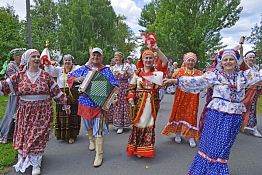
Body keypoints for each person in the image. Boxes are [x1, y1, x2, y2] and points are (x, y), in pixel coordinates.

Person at [164, 48, 262, 175]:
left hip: (233, 118)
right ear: (221, 62)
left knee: (222, 149)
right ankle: (201, 171)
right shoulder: (215, 75)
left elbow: (259, 76)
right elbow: (197, 81)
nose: (228, 62)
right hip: (215, 115)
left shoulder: (243, 76)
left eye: (231, 59)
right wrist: (176, 81)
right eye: (225, 59)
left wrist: (243, 58)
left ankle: (215, 171)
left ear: (236, 61)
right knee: (207, 144)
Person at [0, 49, 70, 175]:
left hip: (43, 113)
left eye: (38, 56)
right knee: (26, 136)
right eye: (33, 57)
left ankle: (36, 163)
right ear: (27, 59)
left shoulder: (46, 76)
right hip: (25, 113)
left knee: (38, 135)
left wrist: (65, 103)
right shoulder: (19, 76)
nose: (37, 59)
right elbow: (5, 86)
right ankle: (27, 157)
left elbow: (56, 91)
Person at [67, 47, 118, 167]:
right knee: (87, 125)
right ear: (90, 56)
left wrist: (112, 97)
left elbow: (115, 85)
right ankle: (91, 140)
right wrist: (76, 79)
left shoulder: (106, 70)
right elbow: (69, 77)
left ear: (102, 57)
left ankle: (99, 155)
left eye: (98, 55)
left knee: (99, 130)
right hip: (85, 103)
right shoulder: (84, 69)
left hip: (100, 105)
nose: (95, 57)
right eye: (93, 55)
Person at [126, 50, 163, 158]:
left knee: (149, 125)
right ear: (142, 59)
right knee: (139, 124)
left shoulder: (157, 73)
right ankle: (137, 147)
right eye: (146, 58)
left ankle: (145, 148)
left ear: (154, 60)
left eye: (150, 58)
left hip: (152, 104)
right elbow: (131, 88)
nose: (148, 60)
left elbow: (165, 63)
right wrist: (131, 98)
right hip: (139, 104)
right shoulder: (137, 73)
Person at [162, 52, 202, 148]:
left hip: (193, 98)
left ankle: (191, 136)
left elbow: (202, 84)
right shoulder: (179, 71)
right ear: (185, 61)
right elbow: (171, 82)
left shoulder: (199, 73)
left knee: (192, 115)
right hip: (180, 97)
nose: (191, 62)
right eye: (189, 60)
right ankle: (178, 133)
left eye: (193, 60)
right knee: (178, 113)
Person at [45, 54, 81, 143]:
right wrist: (47, 63)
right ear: (63, 62)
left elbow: (82, 77)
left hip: (73, 94)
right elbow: (49, 71)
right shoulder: (59, 70)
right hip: (61, 95)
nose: (67, 62)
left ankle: (72, 135)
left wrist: (76, 80)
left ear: (72, 61)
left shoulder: (76, 69)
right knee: (62, 114)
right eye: (65, 60)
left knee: (73, 115)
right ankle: (62, 134)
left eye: (69, 60)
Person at [0, 48, 24, 144]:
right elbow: (14, 79)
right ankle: (9, 133)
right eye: (18, 56)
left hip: (21, 93)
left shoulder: (20, 65)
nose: (20, 57)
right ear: (14, 57)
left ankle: (17, 133)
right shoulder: (11, 65)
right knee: (13, 112)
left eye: (21, 55)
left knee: (19, 113)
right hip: (14, 93)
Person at [107, 52, 132, 134]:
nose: (116, 58)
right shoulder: (112, 68)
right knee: (116, 105)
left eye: (117, 57)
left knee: (123, 106)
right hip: (115, 88)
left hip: (124, 88)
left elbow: (132, 77)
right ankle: (117, 123)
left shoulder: (126, 67)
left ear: (121, 58)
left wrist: (130, 88)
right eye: (115, 57)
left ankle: (121, 124)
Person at [241, 51, 262, 137]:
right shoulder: (244, 66)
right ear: (246, 58)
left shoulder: (256, 68)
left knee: (252, 110)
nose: (252, 59)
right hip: (244, 91)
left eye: (253, 57)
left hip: (254, 92)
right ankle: (239, 125)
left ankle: (253, 128)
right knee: (241, 108)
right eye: (250, 57)